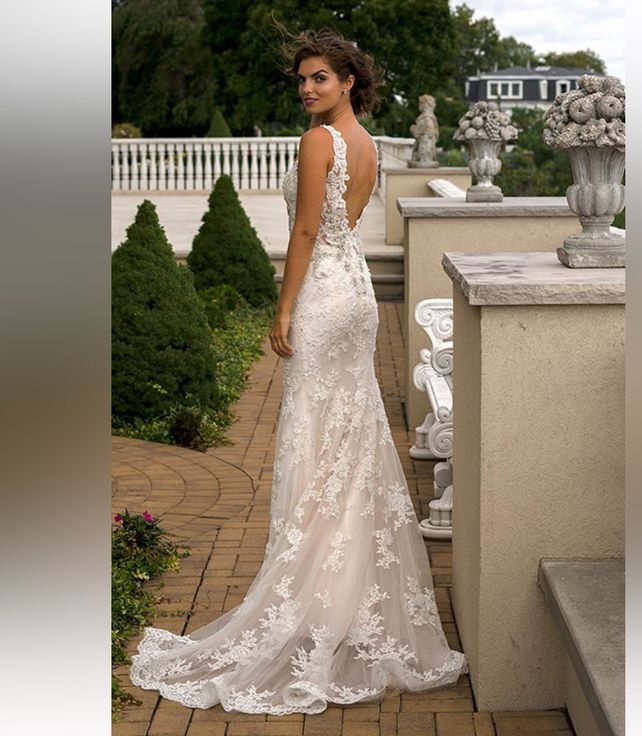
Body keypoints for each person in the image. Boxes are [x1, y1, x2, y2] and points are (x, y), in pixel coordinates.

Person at [128, 25, 468, 715]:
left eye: (320, 77)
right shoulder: (367, 142)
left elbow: (307, 231)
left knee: (318, 447)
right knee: (349, 445)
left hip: (323, 296)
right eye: (303, 78)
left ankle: (317, 601)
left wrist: (283, 309)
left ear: (348, 81)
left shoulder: (320, 142)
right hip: (357, 296)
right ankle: (337, 600)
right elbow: (341, 225)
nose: (308, 88)